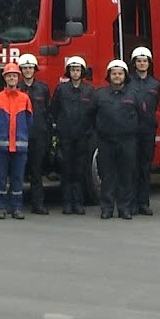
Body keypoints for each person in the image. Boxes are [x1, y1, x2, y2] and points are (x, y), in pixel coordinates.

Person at [92, 60, 143, 219]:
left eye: (120, 73)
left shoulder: (133, 94)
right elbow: (91, 115)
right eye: (114, 73)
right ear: (109, 76)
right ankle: (106, 208)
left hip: (127, 141)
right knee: (107, 176)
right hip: (105, 141)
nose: (117, 76)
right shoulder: (99, 94)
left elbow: (141, 116)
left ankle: (124, 208)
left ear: (125, 76)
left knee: (126, 175)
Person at [49, 56, 94, 215]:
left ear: (82, 72)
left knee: (80, 171)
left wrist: (88, 131)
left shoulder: (89, 90)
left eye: (78, 70)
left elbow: (93, 113)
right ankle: (67, 203)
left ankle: (78, 203)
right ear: (68, 72)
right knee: (66, 170)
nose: (75, 72)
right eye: (73, 70)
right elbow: (54, 110)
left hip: (82, 137)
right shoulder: (61, 89)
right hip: (66, 137)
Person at [0, 62, 32, 219]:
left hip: (19, 147)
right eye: (9, 76)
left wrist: (21, 136)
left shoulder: (25, 98)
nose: (12, 78)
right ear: (5, 78)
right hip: (2, 147)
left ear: (18, 78)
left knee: (17, 179)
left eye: (14, 76)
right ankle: (2, 208)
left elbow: (29, 121)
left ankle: (16, 208)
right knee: (0, 178)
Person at [127, 47, 160, 216]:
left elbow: (155, 105)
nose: (142, 63)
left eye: (145, 61)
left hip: (148, 130)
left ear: (149, 63)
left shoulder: (155, 84)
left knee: (145, 168)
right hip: (131, 130)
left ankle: (144, 203)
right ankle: (132, 203)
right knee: (132, 168)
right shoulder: (128, 82)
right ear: (134, 64)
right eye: (139, 61)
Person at [16, 53, 51, 214]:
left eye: (30, 68)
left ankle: (38, 204)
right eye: (25, 68)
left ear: (35, 69)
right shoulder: (16, 89)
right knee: (18, 171)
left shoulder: (43, 88)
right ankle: (17, 205)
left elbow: (48, 112)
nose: (28, 70)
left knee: (37, 171)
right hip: (20, 135)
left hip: (38, 135)